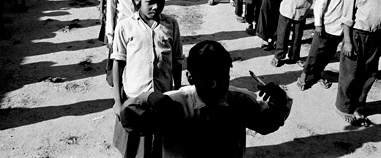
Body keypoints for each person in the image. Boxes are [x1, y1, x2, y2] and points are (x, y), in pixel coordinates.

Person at [119, 40, 291, 158]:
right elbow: (130, 122)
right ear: (190, 77)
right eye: (208, 78)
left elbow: (268, 124)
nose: (216, 85)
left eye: (222, 76)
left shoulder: (240, 101)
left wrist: (279, 100)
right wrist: (147, 97)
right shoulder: (173, 104)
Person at [111, 0, 183, 158]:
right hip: (135, 100)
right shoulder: (125, 27)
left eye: (161, 1)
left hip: (162, 98)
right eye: (150, 2)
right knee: (135, 147)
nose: (156, 6)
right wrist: (118, 102)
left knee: (160, 146)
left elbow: (176, 61)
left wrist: (176, 91)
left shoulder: (171, 25)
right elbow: (118, 64)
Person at [336, 0, 381, 127]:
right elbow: (346, 18)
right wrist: (347, 41)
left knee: (369, 73)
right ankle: (344, 107)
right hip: (356, 36)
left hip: (376, 36)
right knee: (350, 73)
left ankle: (359, 105)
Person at [297, 0, 355, 91]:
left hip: (338, 30)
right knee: (315, 53)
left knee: (328, 54)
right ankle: (304, 75)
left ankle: (317, 74)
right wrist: (318, 25)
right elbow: (319, 7)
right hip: (325, 28)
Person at [106, 0, 144, 87]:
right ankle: (119, 96)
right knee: (118, 67)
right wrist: (110, 35)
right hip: (121, 31)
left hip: (139, 30)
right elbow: (110, 9)